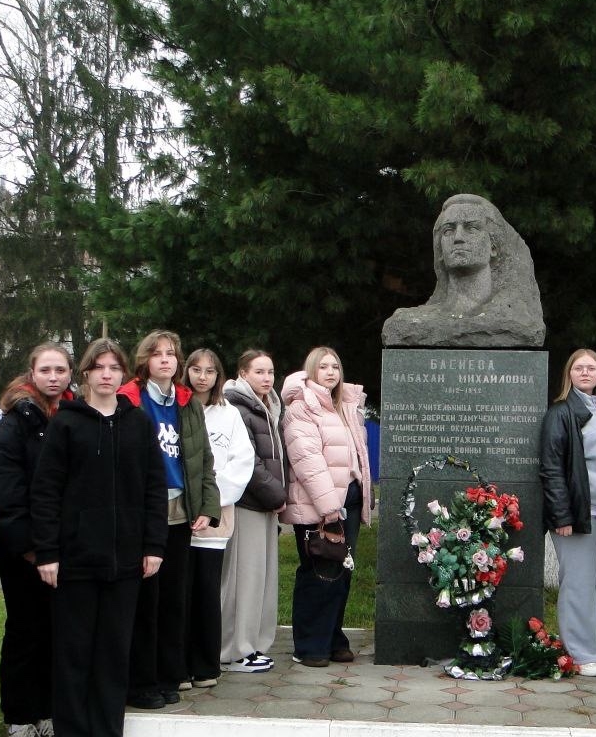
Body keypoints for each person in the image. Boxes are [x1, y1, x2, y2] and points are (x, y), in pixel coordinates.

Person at [30, 339, 166, 737]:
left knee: (113, 648)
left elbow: (152, 488)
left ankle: (109, 735)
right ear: (84, 374)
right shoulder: (66, 424)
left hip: (126, 559)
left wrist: (153, 545)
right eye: (98, 367)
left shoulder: (139, 423)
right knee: (74, 650)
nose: (106, 374)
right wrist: (48, 552)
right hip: (74, 560)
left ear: (124, 374)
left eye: (114, 367)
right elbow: (46, 491)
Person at [118, 332, 220, 709]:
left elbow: (202, 459)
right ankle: (140, 680)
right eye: (157, 354)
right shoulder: (129, 398)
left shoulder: (186, 401)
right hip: (144, 512)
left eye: (171, 354)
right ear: (144, 358)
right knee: (146, 599)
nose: (165, 359)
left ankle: (168, 674)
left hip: (179, 510)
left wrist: (207, 506)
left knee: (174, 600)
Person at [0, 343, 74, 737]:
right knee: (25, 633)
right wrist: (31, 548)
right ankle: (19, 722)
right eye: (46, 370)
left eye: (60, 369)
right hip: (27, 551)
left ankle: (48, 713)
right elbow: (8, 492)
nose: (53, 377)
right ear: (32, 373)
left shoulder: (71, 415)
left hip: (66, 546)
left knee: (57, 632)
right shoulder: (15, 422)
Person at [280, 347, 373, 667]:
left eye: (336, 366)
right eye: (323, 367)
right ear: (310, 371)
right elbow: (307, 461)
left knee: (341, 571)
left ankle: (333, 638)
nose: (331, 372)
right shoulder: (301, 407)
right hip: (318, 504)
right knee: (318, 572)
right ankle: (309, 645)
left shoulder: (347, 405)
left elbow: (356, 455)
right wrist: (329, 508)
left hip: (349, 499)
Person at [540, 348, 596, 677]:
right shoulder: (561, 412)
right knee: (578, 584)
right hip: (577, 514)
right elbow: (551, 467)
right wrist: (562, 516)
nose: (586, 373)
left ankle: (595, 646)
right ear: (569, 374)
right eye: (579, 368)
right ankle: (580, 652)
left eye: (592, 368)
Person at [381, 193, 546, 347]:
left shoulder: (517, 318)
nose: (458, 238)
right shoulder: (410, 321)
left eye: (471, 228)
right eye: (448, 230)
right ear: (440, 252)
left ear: (494, 246)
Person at [183, 349, 254, 688]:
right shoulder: (177, 409)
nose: (202, 377)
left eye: (210, 371)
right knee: (179, 592)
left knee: (206, 591)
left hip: (214, 517)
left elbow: (241, 463)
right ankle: (177, 665)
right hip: (178, 515)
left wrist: (209, 503)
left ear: (218, 376)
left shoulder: (229, 415)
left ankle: (205, 665)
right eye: (196, 369)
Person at [220, 350, 287, 674]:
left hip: (266, 504)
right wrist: (277, 494)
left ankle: (255, 644)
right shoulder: (237, 405)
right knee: (242, 580)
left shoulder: (269, 405)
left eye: (270, 372)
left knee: (261, 578)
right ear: (243, 373)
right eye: (259, 371)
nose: (266, 378)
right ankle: (234, 650)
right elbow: (250, 462)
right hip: (248, 503)